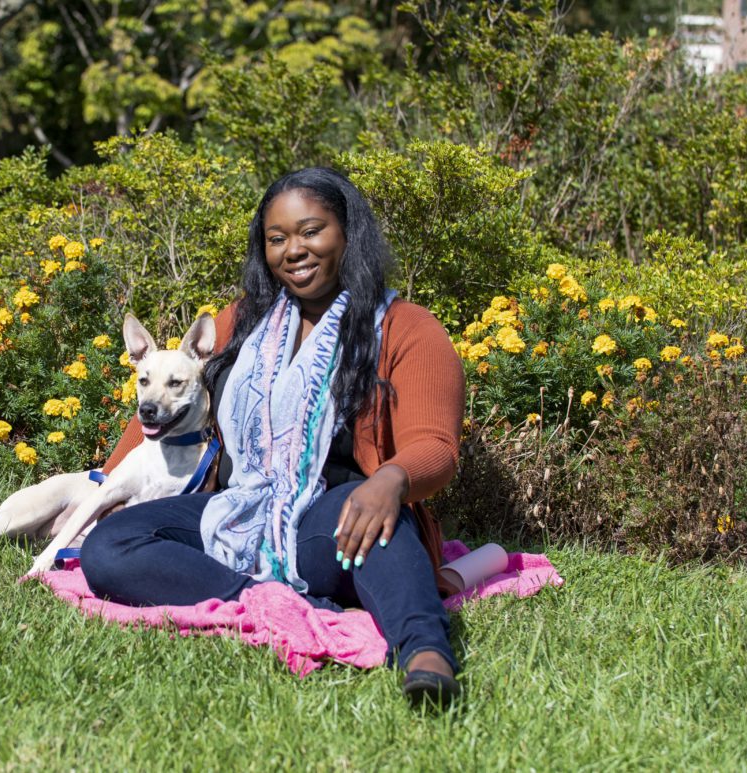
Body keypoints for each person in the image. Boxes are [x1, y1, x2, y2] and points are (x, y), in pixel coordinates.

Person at [79, 167, 465, 708]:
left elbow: (438, 447)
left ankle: (426, 653)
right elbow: (163, 405)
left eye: (312, 231)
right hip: (235, 510)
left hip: (330, 521)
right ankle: (268, 600)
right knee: (110, 546)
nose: (294, 250)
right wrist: (103, 482)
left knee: (378, 517)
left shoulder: (404, 327)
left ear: (348, 234)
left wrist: (394, 480)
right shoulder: (246, 320)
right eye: (277, 238)